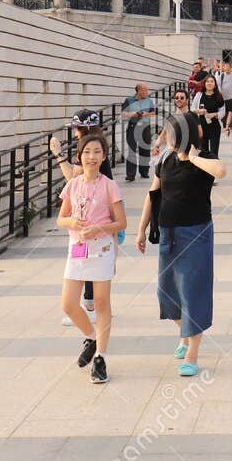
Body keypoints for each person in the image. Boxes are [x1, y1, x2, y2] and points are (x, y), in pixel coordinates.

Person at [136, 118, 225, 376]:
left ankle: (192, 353)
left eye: (173, 132)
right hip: (168, 233)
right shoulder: (165, 160)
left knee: (192, 291)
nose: (168, 136)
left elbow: (221, 171)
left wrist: (192, 158)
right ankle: (184, 334)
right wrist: (141, 229)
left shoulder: (204, 158)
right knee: (167, 293)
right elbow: (153, 195)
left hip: (196, 234)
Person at [57, 135, 126, 384]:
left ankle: (100, 357)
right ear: (79, 156)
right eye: (87, 152)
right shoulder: (73, 185)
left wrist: (99, 229)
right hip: (77, 248)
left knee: (101, 301)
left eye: (97, 152)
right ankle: (91, 336)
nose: (92, 156)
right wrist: (72, 222)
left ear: (104, 156)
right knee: (68, 304)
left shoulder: (109, 185)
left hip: (102, 248)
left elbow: (121, 222)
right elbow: (61, 218)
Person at [50, 109, 114, 326]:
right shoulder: (97, 146)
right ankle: (90, 306)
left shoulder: (90, 149)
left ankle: (91, 309)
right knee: (89, 260)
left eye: (76, 129)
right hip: (97, 216)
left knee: (93, 263)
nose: (74, 134)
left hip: (99, 217)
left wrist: (57, 154)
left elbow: (70, 176)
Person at [121, 83, 158, 183]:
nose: (147, 92)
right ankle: (130, 175)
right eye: (145, 90)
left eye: (147, 90)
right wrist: (132, 114)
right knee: (131, 150)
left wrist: (147, 114)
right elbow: (123, 113)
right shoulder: (129, 100)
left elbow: (153, 112)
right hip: (133, 127)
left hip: (145, 128)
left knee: (145, 150)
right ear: (139, 91)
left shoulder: (149, 101)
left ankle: (144, 172)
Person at [193, 74, 224, 158]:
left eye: (212, 81)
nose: (209, 83)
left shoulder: (218, 95)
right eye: (207, 81)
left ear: (215, 84)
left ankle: (213, 171)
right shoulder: (199, 95)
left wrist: (214, 114)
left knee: (214, 152)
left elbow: (223, 111)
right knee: (203, 152)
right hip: (201, 127)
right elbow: (192, 110)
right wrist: (199, 111)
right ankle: (204, 171)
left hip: (215, 127)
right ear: (204, 83)